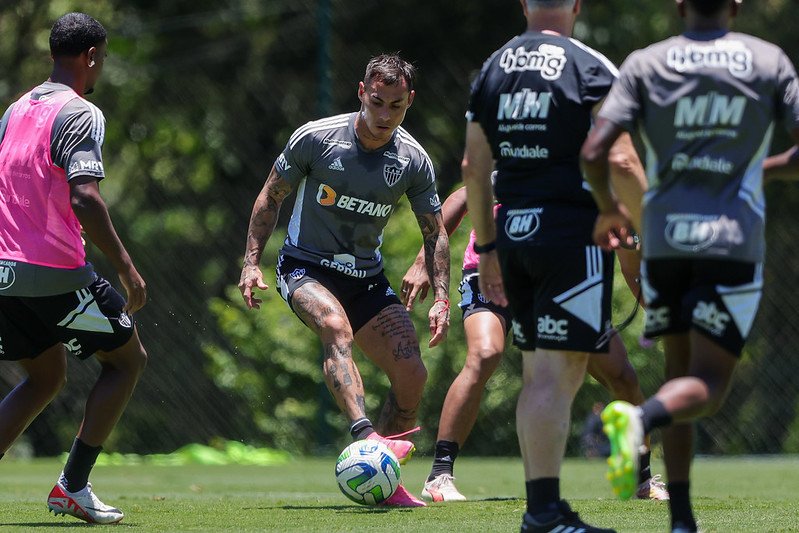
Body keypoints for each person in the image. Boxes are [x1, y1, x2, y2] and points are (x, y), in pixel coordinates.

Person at [580, 0, 799, 531]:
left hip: (664, 242)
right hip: (730, 243)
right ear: (736, 6)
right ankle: (639, 418)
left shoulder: (645, 62)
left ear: (679, 7)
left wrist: (609, 208)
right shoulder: (768, 61)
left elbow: (595, 150)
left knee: (677, 375)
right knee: (708, 385)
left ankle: (682, 521)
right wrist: (757, 172)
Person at [461, 1, 650, 530]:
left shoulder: (492, 69)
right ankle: (544, 513)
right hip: (571, 235)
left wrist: (490, 249)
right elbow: (621, 160)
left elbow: (474, 166)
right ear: (576, 5)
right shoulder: (589, 66)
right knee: (556, 375)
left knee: (538, 374)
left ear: (524, 4)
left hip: (514, 234)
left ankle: (544, 508)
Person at [238, 54, 450, 507]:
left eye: (396, 106)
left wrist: (443, 298)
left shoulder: (413, 160)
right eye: (377, 102)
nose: (384, 116)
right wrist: (251, 262)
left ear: (409, 101)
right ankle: (367, 439)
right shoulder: (316, 139)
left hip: (366, 278)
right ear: (361, 93)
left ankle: (385, 481)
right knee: (335, 327)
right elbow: (270, 198)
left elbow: (435, 232)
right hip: (304, 267)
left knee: (412, 374)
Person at [400, 185, 667, 502]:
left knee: (621, 375)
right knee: (485, 354)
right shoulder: (539, 164)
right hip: (494, 270)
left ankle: (642, 480)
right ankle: (440, 475)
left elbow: (632, 268)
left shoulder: (607, 193)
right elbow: (464, 196)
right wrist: (424, 259)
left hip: (559, 282)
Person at [0, 13, 148, 524]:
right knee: (127, 361)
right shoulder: (80, 113)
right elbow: (85, 197)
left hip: (4, 276)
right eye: (102, 59)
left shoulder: (15, 109)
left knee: (45, 375)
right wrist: (127, 269)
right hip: (58, 276)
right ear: (90, 58)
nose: (100, 67)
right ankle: (73, 486)